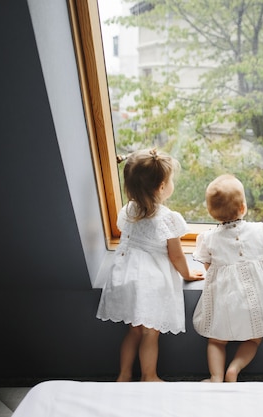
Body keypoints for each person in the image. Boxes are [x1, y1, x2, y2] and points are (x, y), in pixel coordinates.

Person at [96, 148, 204, 382]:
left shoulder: (129, 210)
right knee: (150, 333)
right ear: (162, 186)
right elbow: (176, 256)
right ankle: (149, 376)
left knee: (133, 330)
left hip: (124, 274)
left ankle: (123, 375)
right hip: (149, 280)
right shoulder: (167, 218)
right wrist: (187, 274)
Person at [192, 174, 263, 382]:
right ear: (243, 208)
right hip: (257, 298)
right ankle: (234, 369)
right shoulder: (261, 230)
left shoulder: (208, 238)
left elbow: (209, 267)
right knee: (255, 339)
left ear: (212, 213)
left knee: (216, 341)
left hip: (225, 299)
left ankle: (216, 377)